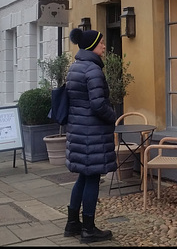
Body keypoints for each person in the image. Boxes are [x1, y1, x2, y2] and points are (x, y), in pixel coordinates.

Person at [63, 27, 117, 243]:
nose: (104, 46)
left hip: (78, 130)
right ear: (93, 45)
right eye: (101, 42)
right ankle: (88, 229)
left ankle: (72, 224)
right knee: (92, 176)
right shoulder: (93, 70)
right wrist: (113, 116)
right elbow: (97, 104)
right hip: (92, 133)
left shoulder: (75, 67)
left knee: (83, 177)